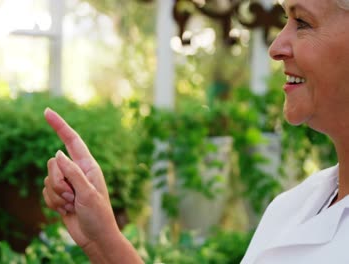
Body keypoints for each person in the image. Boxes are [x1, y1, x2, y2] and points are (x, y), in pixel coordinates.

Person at [42, 0, 349, 262]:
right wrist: (102, 240)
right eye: (286, 19)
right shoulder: (294, 206)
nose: (276, 47)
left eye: (303, 23)